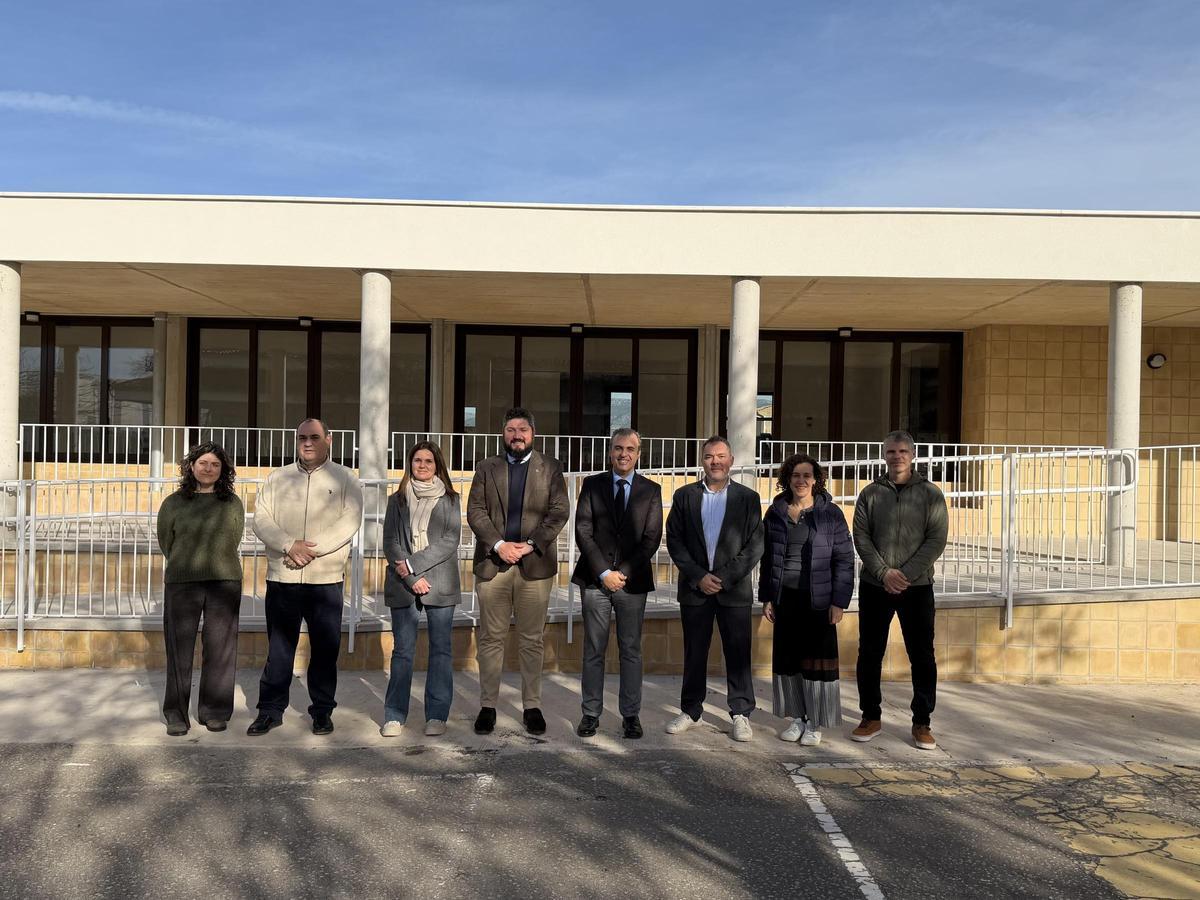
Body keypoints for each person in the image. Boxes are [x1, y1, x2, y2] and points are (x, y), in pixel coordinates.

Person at [247, 418, 363, 737]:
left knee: (325, 650)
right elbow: (261, 519)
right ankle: (270, 711)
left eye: (314, 437)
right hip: (283, 579)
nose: (307, 443)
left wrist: (310, 550)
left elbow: (349, 521)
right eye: (302, 438)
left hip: (325, 581)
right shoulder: (277, 478)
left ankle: (322, 711)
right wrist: (289, 545)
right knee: (279, 650)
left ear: (329, 439)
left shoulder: (346, 479)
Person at [466, 407, 569, 736]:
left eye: (523, 429)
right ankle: (488, 706)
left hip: (534, 566)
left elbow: (559, 511)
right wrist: (499, 545)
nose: (517, 435)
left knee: (531, 640)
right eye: (511, 429)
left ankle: (532, 706)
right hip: (493, 565)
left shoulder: (550, 468)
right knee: (490, 639)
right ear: (503, 434)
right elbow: (475, 511)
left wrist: (530, 544)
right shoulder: (486, 467)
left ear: (533, 434)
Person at [851, 430, 948, 751]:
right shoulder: (870, 493)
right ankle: (870, 716)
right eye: (891, 451)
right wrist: (883, 573)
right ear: (884, 455)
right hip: (875, 586)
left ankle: (922, 722)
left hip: (916, 587)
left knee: (922, 655)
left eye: (903, 451)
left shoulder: (931, 494)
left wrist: (904, 575)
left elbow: (936, 539)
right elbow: (861, 536)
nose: (897, 457)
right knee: (870, 653)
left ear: (913, 454)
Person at [664, 436, 764, 741]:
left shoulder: (747, 498)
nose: (715, 461)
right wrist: (698, 577)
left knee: (738, 653)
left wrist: (722, 578)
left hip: (733, 591)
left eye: (721, 456)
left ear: (731, 460)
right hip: (695, 590)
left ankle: (741, 713)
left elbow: (755, 545)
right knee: (695, 652)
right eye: (709, 456)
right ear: (702, 460)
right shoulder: (684, 496)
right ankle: (691, 710)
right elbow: (675, 540)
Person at [571, 428, 663, 740]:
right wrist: (603, 572)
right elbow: (583, 530)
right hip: (595, 580)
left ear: (639, 454)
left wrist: (621, 572)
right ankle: (590, 713)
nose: (624, 454)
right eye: (619, 448)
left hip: (631, 582)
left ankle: (631, 715)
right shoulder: (592, 484)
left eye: (630, 449)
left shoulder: (651, 490)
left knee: (631, 649)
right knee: (594, 649)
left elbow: (651, 538)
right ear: (610, 452)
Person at [760, 454, 854, 747]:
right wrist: (767, 597)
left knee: (817, 662)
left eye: (806, 476)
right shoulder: (775, 513)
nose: (801, 481)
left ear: (816, 480)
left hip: (819, 600)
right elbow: (767, 558)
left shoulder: (830, 514)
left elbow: (844, 559)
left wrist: (839, 602)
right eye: (795, 475)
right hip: (785, 597)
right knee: (789, 660)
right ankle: (797, 718)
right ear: (787, 479)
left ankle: (815, 722)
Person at [156, 441, 245, 736]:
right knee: (179, 650)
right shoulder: (173, 503)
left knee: (220, 649)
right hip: (182, 582)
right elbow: (166, 541)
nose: (208, 469)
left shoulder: (232, 503)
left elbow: (233, 538)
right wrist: (186, 562)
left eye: (215, 465)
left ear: (223, 470)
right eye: (203, 463)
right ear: (191, 466)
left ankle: (215, 711)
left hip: (224, 582)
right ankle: (176, 714)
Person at [380, 441, 462, 738]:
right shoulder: (397, 499)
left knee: (440, 650)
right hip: (404, 584)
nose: (423, 465)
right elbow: (390, 541)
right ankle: (394, 715)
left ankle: (437, 715)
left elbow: (450, 541)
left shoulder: (451, 499)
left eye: (429, 460)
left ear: (437, 465)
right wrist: (411, 577)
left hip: (439, 583)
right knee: (403, 651)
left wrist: (412, 565)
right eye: (417, 460)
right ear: (410, 464)